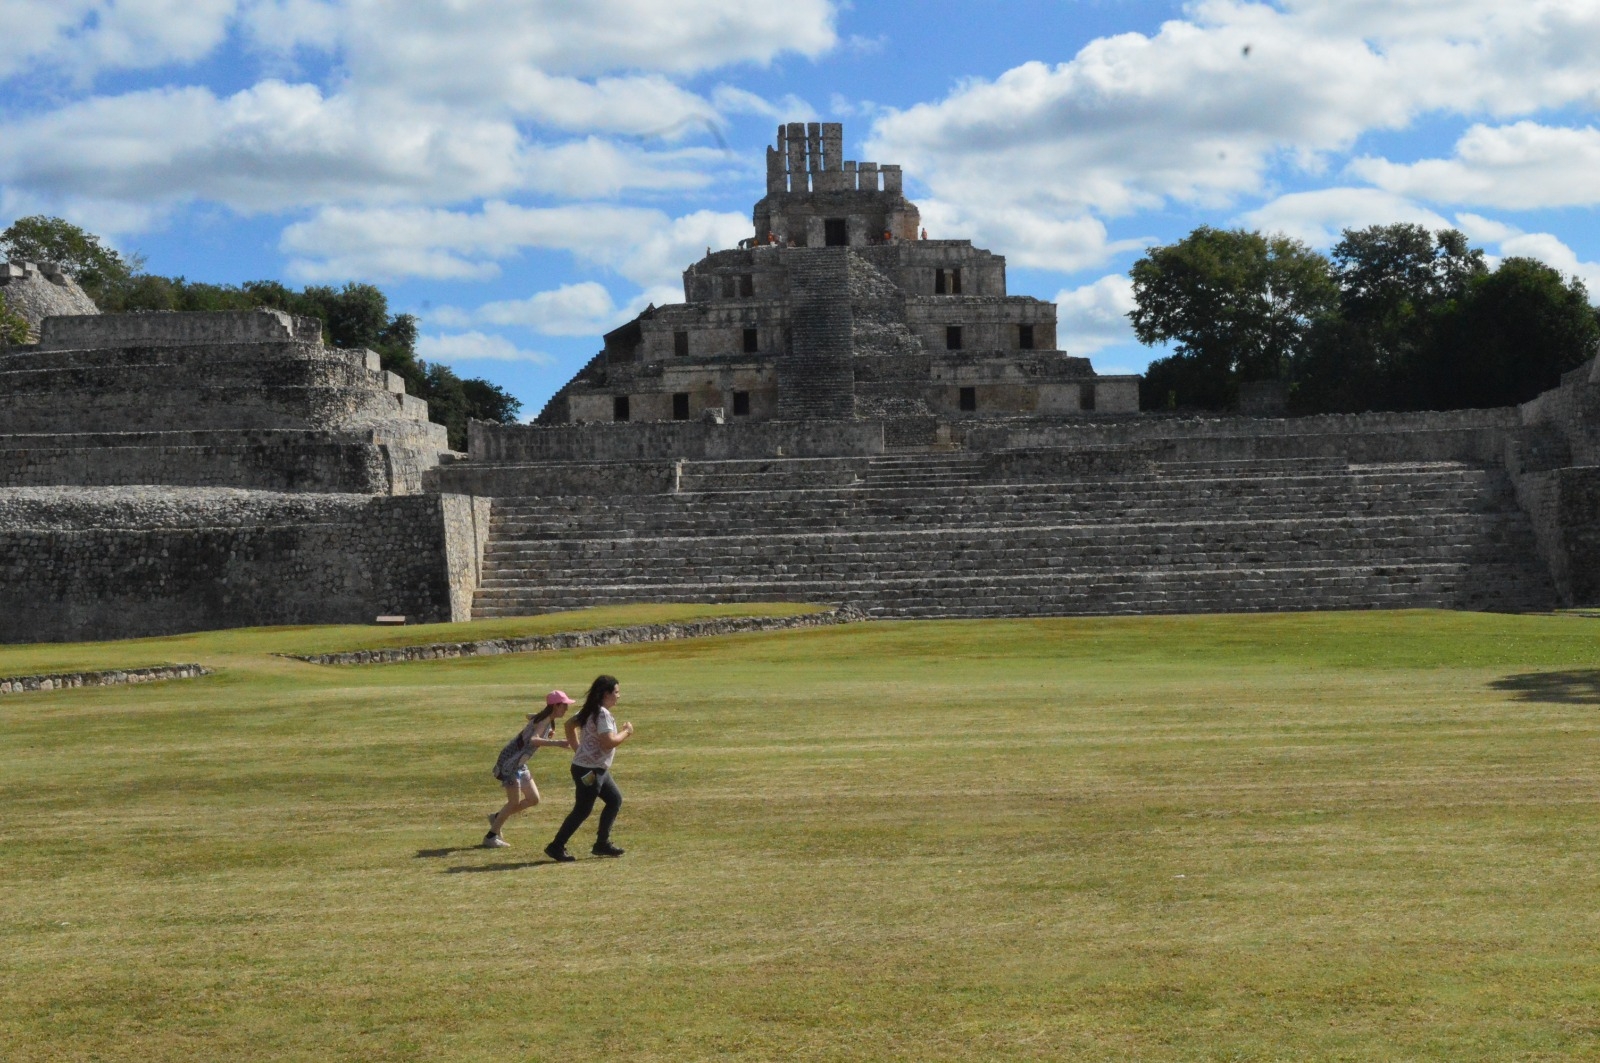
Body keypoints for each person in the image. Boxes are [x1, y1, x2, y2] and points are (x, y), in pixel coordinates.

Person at [544, 674, 633, 862]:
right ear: (606, 694)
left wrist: (579, 750)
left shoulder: (590, 710)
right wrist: (626, 731)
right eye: (616, 692)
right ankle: (556, 846)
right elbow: (608, 742)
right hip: (590, 771)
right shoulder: (602, 714)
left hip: (593, 768)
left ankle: (602, 843)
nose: (619, 696)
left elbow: (569, 725)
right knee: (582, 810)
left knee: (614, 799)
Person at [483, 690, 575, 848]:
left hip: (520, 764)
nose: (566, 709)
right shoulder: (545, 720)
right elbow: (534, 739)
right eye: (564, 705)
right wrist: (557, 743)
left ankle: (497, 817)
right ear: (556, 706)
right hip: (511, 762)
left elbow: (529, 717)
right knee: (514, 802)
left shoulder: (544, 718)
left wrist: (537, 718)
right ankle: (491, 837)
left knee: (533, 799)